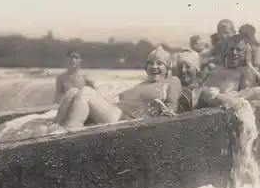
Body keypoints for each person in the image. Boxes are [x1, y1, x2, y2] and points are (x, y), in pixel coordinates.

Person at [54, 45, 182, 128]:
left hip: (128, 120)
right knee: (72, 91)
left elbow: (173, 103)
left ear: (167, 68)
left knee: (86, 92)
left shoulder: (171, 81)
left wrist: (169, 111)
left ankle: (67, 135)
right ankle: (52, 132)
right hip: (115, 112)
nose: (154, 67)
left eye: (159, 63)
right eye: (151, 63)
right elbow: (118, 99)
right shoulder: (141, 84)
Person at [174, 48, 253, 112]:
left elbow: (238, 103)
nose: (183, 70)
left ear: (197, 70)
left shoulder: (202, 91)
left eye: (188, 67)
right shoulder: (174, 87)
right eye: (180, 67)